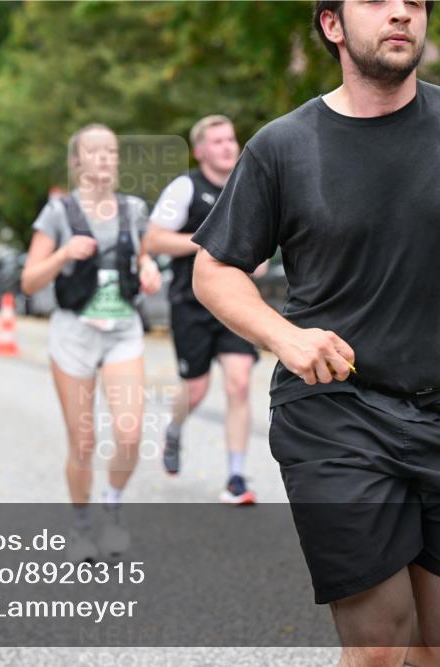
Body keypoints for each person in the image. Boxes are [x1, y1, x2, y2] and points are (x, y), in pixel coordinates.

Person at [190, 1, 440, 665]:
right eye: (380, 1)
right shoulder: (283, 146)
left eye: (414, 3)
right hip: (333, 410)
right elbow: (214, 270)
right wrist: (285, 336)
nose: (401, 13)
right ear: (332, 25)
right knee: (380, 641)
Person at [21, 123, 161, 560]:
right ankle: (82, 527)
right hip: (75, 332)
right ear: (77, 161)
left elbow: (143, 256)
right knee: (82, 441)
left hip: (122, 330)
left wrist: (150, 268)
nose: (104, 158)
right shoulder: (59, 213)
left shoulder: (134, 209)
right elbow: (28, 281)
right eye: (94, 151)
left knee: (130, 432)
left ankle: (111, 505)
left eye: (111, 151)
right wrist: (63, 254)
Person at [144, 115, 264, 504]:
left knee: (240, 382)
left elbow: (258, 257)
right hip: (191, 303)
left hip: (237, 301)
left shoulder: (247, 187)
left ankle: (236, 477)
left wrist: (253, 256)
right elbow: (154, 239)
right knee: (195, 390)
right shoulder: (186, 187)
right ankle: (175, 427)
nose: (228, 146)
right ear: (199, 151)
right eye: (217, 141)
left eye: (231, 139)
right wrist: (210, 245)